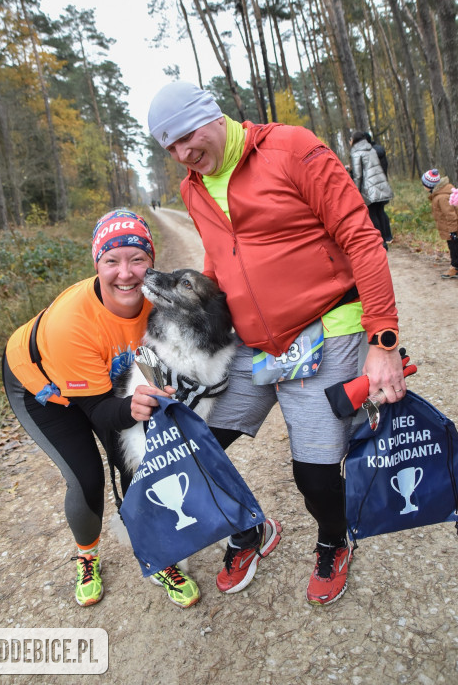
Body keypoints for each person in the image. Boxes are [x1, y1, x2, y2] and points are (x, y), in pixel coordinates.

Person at [147, 81, 406, 606]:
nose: (182, 154)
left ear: (212, 115)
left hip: (326, 327)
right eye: (168, 147)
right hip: (254, 341)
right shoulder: (192, 188)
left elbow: (361, 236)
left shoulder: (291, 148)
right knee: (192, 447)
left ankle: (333, 540)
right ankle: (251, 530)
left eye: (186, 137)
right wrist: (193, 353)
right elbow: (222, 261)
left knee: (312, 471)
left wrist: (382, 340)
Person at [2, 209, 201, 609]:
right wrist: (136, 406)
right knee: (87, 476)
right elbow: (100, 413)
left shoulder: (158, 303)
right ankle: (87, 555)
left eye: (137, 259)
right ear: (97, 263)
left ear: (152, 261)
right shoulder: (71, 323)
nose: (125, 273)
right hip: (42, 388)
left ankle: (154, 552)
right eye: (112, 261)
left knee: (138, 463)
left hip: (104, 383)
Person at [349, 130, 393, 249]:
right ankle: (386, 238)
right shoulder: (372, 149)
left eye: (350, 139)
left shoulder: (356, 152)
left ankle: (381, 242)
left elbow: (358, 175)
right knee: (380, 212)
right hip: (381, 184)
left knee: (373, 215)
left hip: (369, 188)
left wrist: (355, 191)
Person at [421, 169, 458, 279]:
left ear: (429, 185)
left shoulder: (441, 197)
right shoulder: (440, 193)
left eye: (424, 184)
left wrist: (453, 232)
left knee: (454, 247)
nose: (423, 187)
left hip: (452, 229)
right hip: (449, 228)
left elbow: (451, 215)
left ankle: (455, 268)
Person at [364, 132, 393, 243]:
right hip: (382, 186)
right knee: (380, 212)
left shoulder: (370, 153)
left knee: (374, 213)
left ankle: (381, 238)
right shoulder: (378, 151)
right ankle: (387, 236)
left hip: (374, 188)